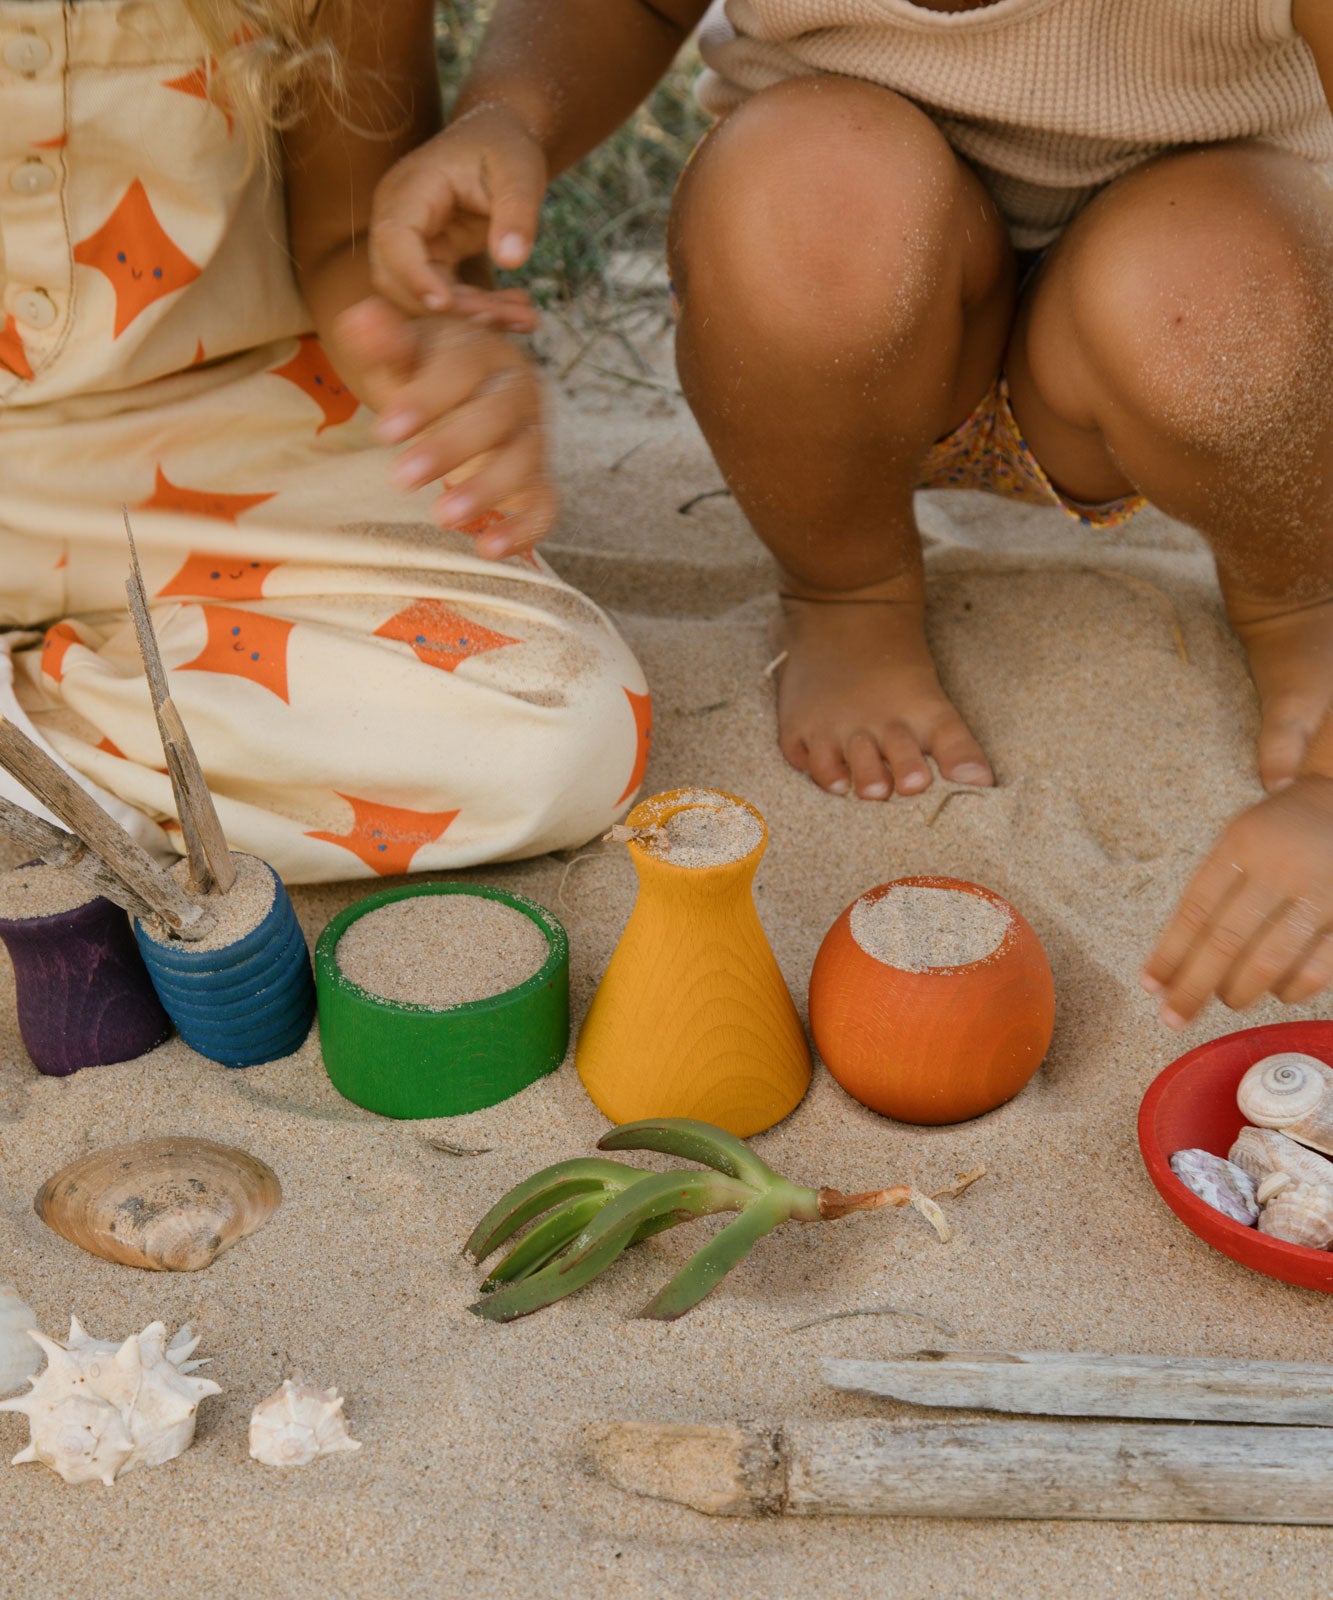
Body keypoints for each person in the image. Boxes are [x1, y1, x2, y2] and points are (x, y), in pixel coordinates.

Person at [359, 0, 1333, 1029]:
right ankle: (846, 586)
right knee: (806, 182)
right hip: (840, 331)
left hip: (1200, 327)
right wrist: (512, 112)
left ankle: (1300, 593)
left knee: (1212, 296)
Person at [0, 0, 650, 885]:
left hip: (237, 446)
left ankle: (40, 777)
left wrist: (420, 342)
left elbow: (351, 233)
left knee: (569, 728)